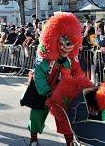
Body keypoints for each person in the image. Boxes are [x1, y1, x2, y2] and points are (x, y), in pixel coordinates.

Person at [22, 12, 86, 146]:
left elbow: (78, 72)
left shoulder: (71, 58)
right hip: (42, 90)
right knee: (37, 116)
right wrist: (47, 92)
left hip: (61, 90)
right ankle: (33, 139)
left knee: (65, 117)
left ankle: (70, 141)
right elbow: (39, 76)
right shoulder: (44, 57)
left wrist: (85, 86)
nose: (67, 46)